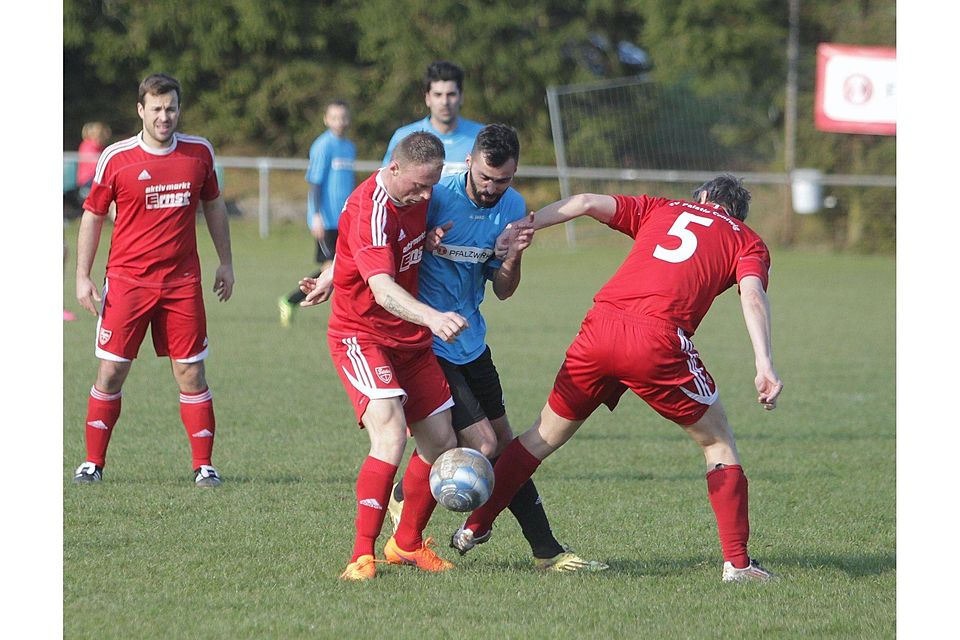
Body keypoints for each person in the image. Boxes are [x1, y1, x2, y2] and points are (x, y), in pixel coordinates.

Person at [450, 175, 784, 583]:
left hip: (600, 327)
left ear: (702, 197)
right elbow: (752, 295)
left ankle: (474, 525)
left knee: (540, 437)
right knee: (718, 442)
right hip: (656, 341)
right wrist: (764, 363)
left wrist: (521, 226)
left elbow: (585, 202)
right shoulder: (747, 240)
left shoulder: (663, 208)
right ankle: (738, 564)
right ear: (736, 213)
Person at [386, 124, 608, 572]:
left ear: (514, 174)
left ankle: (545, 551)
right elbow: (393, 255)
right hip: (429, 343)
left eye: (502, 180)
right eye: (485, 177)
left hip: (472, 343)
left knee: (504, 444)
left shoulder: (513, 207)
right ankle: (409, 526)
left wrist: (514, 254)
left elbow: (504, 290)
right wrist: (423, 244)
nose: (491, 188)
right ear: (469, 162)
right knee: (484, 443)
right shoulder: (436, 196)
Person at [298, 132, 468, 581]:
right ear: (394, 168)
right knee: (391, 433)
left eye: (432, 186)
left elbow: (351, 250)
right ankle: (361, 556)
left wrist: (329, 275)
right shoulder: (369, 208)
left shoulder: (417, 195)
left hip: (408, 339)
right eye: (419, 185)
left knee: (441, 441)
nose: (426, 196)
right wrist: (432, 317)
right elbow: (382, 289)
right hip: (361, 335)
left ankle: (406, 543)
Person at [72, 73, 234, 488]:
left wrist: (225, 262)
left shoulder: (199, 152)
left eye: (171, 108)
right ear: (141, 110)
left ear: (179, 110)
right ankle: (92, 463)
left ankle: (204, 466)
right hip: (127, 283)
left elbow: (214, 206)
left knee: (191, 373)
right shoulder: (117, 158)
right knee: (111, 371)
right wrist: (82, 275)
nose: (165, 116)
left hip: (182, 284)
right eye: (157, 109)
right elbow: (93, 215)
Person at [278, 100, 355, 327]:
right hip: (327, 218)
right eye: (334, 117)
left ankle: (294, 301)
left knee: (339, 265)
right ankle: (291, 300)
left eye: (343, 117)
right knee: (332, 266)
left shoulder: (349, 147)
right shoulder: (322, 145)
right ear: (326, 119)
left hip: (344, 218)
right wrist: (316, 215)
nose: (339, 122)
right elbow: (315, 183)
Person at [382, 61, 483, 176]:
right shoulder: (403, 137)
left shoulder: (482, 138)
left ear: (461, 97)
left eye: (451, 94)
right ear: (427, 98)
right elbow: (386, 182)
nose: (445, 102)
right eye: (438, 95)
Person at [76, 121, 112, 199]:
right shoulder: (87, 146)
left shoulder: (101, 148)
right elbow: (97, 165)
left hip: (94, 179)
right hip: (88, 180)